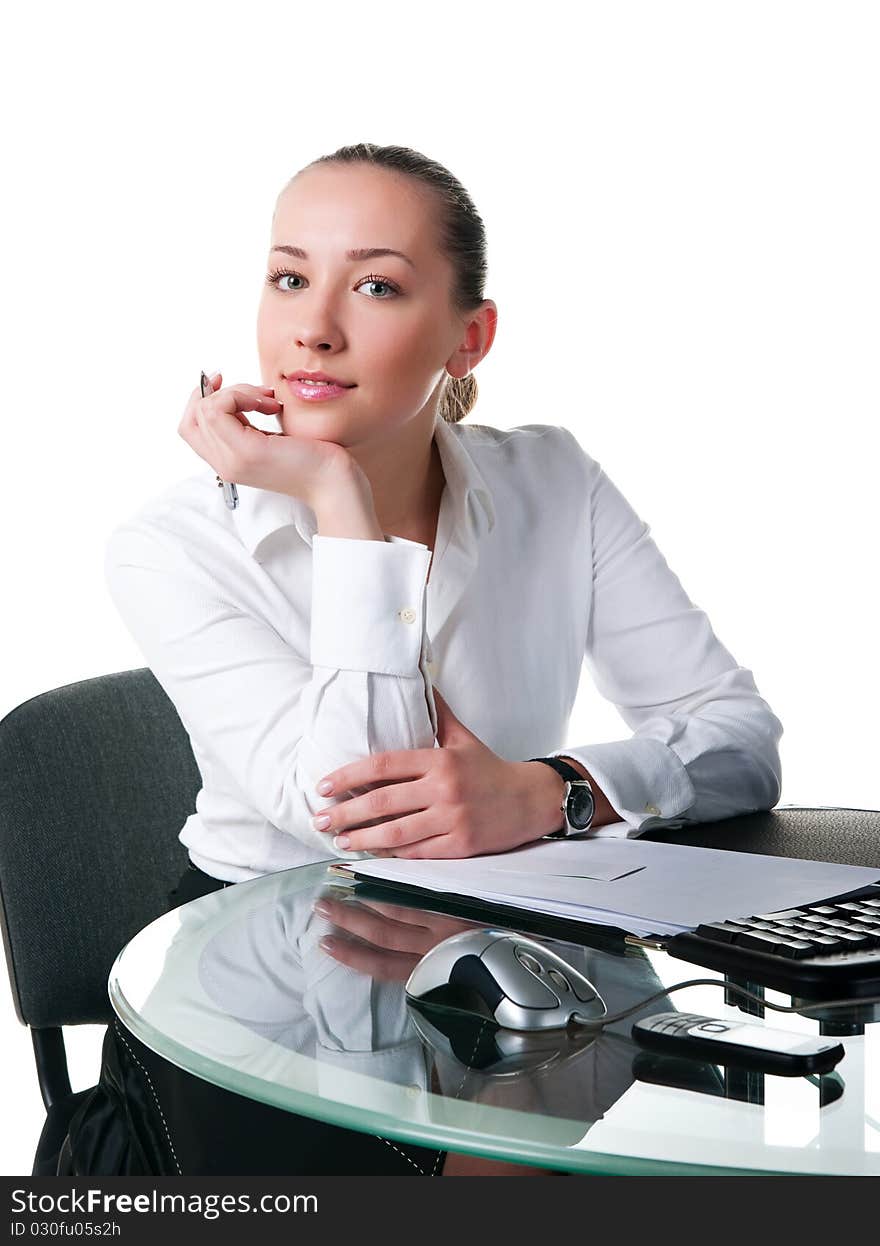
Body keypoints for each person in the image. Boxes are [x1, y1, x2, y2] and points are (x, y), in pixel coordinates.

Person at [82, 141, 782, 1175]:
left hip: (510, 950)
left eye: (373, 285)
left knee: (714, 1159)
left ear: (470, 337)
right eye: (288, 278)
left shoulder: (554, 480)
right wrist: (339, 503)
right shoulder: (171, 544)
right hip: (253, 989)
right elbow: (352, 814)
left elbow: (738, 740)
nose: (313, 328)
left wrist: (556, 791)